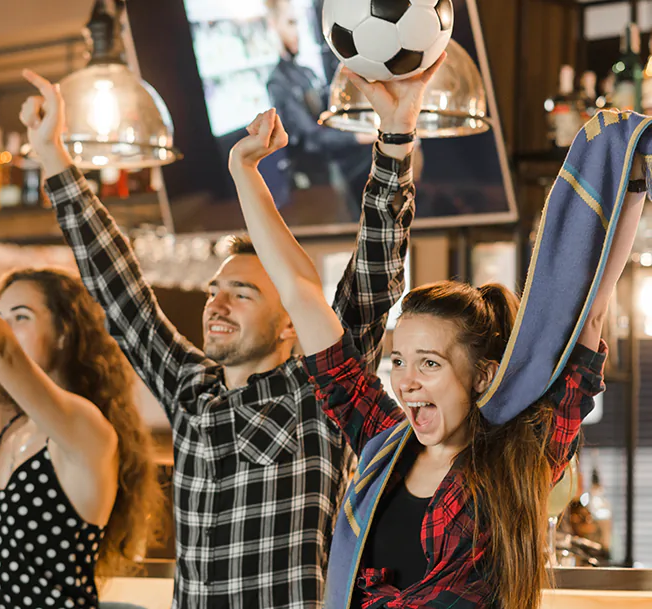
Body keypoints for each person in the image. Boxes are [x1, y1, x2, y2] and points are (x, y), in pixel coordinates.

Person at [16, 58, 439, 608]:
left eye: (243, 293)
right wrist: (52, 155)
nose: (217, 302)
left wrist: (396, 137)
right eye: (215, 289)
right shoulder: (190, 389)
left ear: (291, 319)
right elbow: (118, 287)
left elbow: (376, 272)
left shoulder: (321, 390)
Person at [230, 68, 643, 609]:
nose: (405, 382)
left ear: (483, 375)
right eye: (398, 360)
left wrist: (632, 180)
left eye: (429, 364)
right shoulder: (383, 442)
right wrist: (244, 173)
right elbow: (301, 291)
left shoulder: (519, 457)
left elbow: (588, 316)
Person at [0, 192, 164, 609]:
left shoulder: (85, 428)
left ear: (64, 333)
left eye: (20, 317)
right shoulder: (14, 420)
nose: (3, 327)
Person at [264, 0, 374, 217]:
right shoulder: (278, 82)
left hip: (336, 171)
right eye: (290, 23)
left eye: (298, 23)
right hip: (316, 182)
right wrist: (361, 137)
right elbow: (311, 138)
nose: (297, 32)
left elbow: (330, 113)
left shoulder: (305, 72)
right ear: (273, 25)